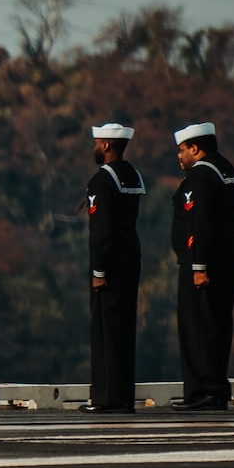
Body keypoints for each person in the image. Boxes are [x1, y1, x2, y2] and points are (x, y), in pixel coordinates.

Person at [169, 122, 234, 412]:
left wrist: (198, 265)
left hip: (206, 261)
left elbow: (201, 221)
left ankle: (202, 392)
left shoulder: (201, 175)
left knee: (198, 327)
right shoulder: (225, 168)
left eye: (182, 150)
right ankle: (214, 389)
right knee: (216, 326)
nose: (179, 157)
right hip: (230, 257)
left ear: (195, 149)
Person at [84, 123, 146, 413]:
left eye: (97, 143)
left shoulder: (102, 180)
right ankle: (122, 395)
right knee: (124, 329)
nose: (94, 147)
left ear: (107, 146)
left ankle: (106, 397)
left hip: (109, 264)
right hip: (130, 257)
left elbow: (101, 231)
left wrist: (98, 270)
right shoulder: (131, 174)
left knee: (106, 330)